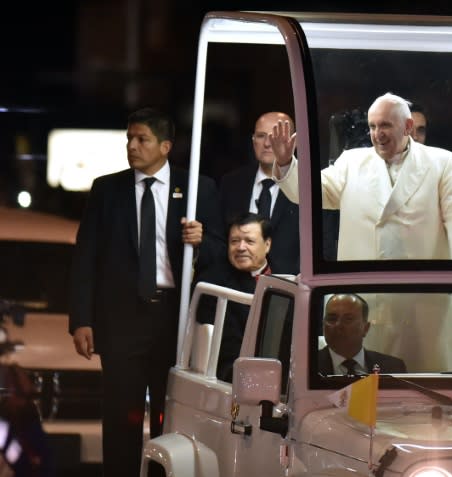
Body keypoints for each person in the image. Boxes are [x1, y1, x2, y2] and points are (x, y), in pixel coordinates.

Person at [68, 107, 225, 477]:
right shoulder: (107, 189)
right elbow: (85, 258)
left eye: (142, 139)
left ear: (165, 146)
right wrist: (81, 319)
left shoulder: (198, 188)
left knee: (172, 416)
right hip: (121, 319)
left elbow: (220, 251)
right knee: (121, 415)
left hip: (175, 319)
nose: (132, 146)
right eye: (129, 139)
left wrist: (201, 241)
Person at [271, 92, 452, 371]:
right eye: (372, 127)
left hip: (425, 304)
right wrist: (286, 163)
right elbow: (309, 194)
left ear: (406, 127)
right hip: (367, 305)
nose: (377, 134)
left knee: (424, 390)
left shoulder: (442, 163)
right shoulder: (351, 162)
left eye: (385, 126)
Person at [219, 111, 299, 274]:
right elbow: (221, 237)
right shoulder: (231, 183)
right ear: (253, 140)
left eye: (275, 137)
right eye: (261, 136)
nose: (268, 144)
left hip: (291, 287)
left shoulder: (308, 186)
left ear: (293, 142)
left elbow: (324, 244)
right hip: (236, 286)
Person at [204, 212, 273, 382]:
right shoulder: (214, 282)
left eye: (249, 241)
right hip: (232, 373)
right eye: (234, 241)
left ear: (267, 244)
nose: (241, 247)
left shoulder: (286, 279)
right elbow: (227, 345)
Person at [318, 294, 407, 375]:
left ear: (365, 328)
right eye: (332, 318)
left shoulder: (393, 367)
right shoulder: (307, 365)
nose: (338, 325)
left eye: (348, 319)